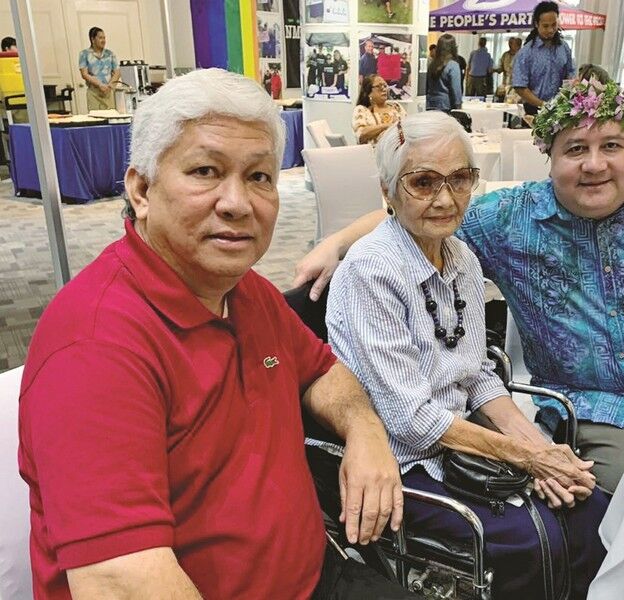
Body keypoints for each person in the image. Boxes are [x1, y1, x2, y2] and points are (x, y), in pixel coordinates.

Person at [293, 81, 624, 494]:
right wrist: (336, 241)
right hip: (588, 407)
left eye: (612, 145)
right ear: (550, 158)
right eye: (575, 149)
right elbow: (419, 207)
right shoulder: (509, 219)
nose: (594, 164)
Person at [17, 68, 413, 600]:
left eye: (259, 177)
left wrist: (365, 431)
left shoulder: (246, 293)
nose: (238, 203)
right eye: (206, 171)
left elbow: (322, 371)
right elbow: (122, 582)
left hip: (318, 575)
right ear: (141, 190)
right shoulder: (95, 347)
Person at [323, 110, 608, 599]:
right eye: (423, 182)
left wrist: (538, 450)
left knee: (591, 509)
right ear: (388, 192)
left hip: (465, 447)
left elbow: (476, 374)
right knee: (526, 539)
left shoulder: (462, 258)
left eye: (460, 179)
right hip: (403, 459)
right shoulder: (372, 271)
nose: (446, 198)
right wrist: (525, 458)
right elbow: (411, 419)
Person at [512, 1, 576, 115]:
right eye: (545, 26)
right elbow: (520, 87)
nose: (551, 30)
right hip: (534, 110)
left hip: (560, 110)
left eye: (554, 25)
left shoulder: (564, 48)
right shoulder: (526, 53)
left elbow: (571, 76)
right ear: (537, 24)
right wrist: (544, 105)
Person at [352, 74, 406, 145]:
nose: (384, 89)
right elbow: (361, 135)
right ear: (369, 93)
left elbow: (407, 127)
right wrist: (387, 126)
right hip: (373, 153)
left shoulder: (396, 106)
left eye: (385, 86)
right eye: (379, 86)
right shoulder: (362, 110)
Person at [78, 26, 119, 111]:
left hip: (108, 92)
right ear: (93, 39)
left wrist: (109, 86)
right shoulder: (84, 54)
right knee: (96, 118)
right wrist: (100, 85)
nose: (103, 40)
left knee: (111, 117)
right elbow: (84, 74)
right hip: (94, 93)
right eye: (100, 38)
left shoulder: (110, 54)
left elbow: (117, 72)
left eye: (104, 38)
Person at [425, 33, 463, 113]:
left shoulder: (432, 64)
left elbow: (427, 85)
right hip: (445, 105)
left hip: (429, 104)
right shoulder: (453, 65)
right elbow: (456, 90)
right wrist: (458, 107)